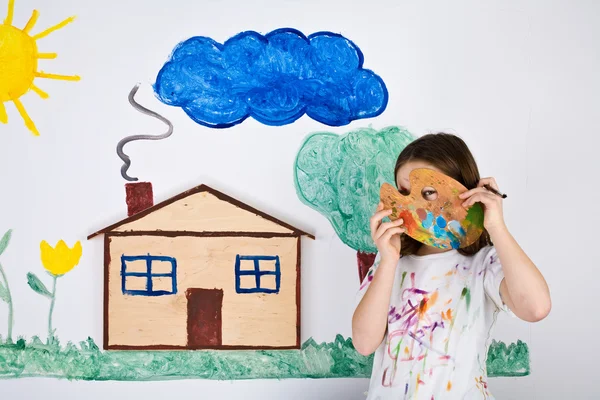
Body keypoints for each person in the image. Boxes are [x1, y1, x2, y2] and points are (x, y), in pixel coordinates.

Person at [352, 133, 551, 399]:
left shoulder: (485, 263)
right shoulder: (391, 262)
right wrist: (387, 260)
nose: (414, 205)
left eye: (429, 192)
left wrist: (496, 226)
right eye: (403, 193)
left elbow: (536, 308)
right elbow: (364, 344)